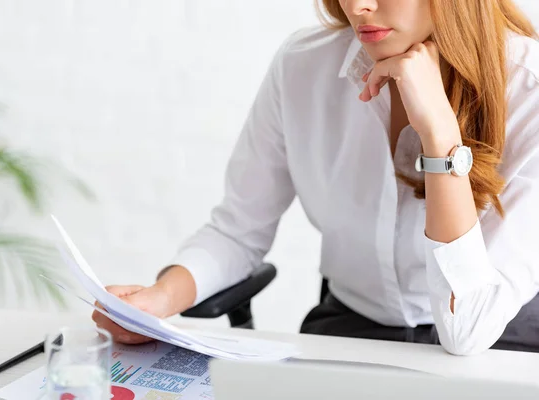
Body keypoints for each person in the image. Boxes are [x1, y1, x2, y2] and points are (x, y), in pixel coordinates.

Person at [93, 0, 539, 355]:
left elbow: (467, 331)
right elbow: (237, 230)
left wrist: (440, 136)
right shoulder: (303, 66)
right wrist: (160, 300)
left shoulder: (529, 89)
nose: (358, 6)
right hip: (352, 331)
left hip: (497, 334)